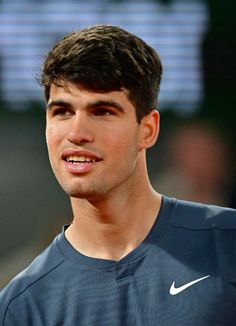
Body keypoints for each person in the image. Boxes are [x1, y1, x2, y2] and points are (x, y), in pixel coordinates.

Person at [0, 25, 236, 325]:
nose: (76, 133)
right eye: (62, 111)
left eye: (102, 112)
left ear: (147, 130)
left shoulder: (227, 243)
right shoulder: (21, 307)